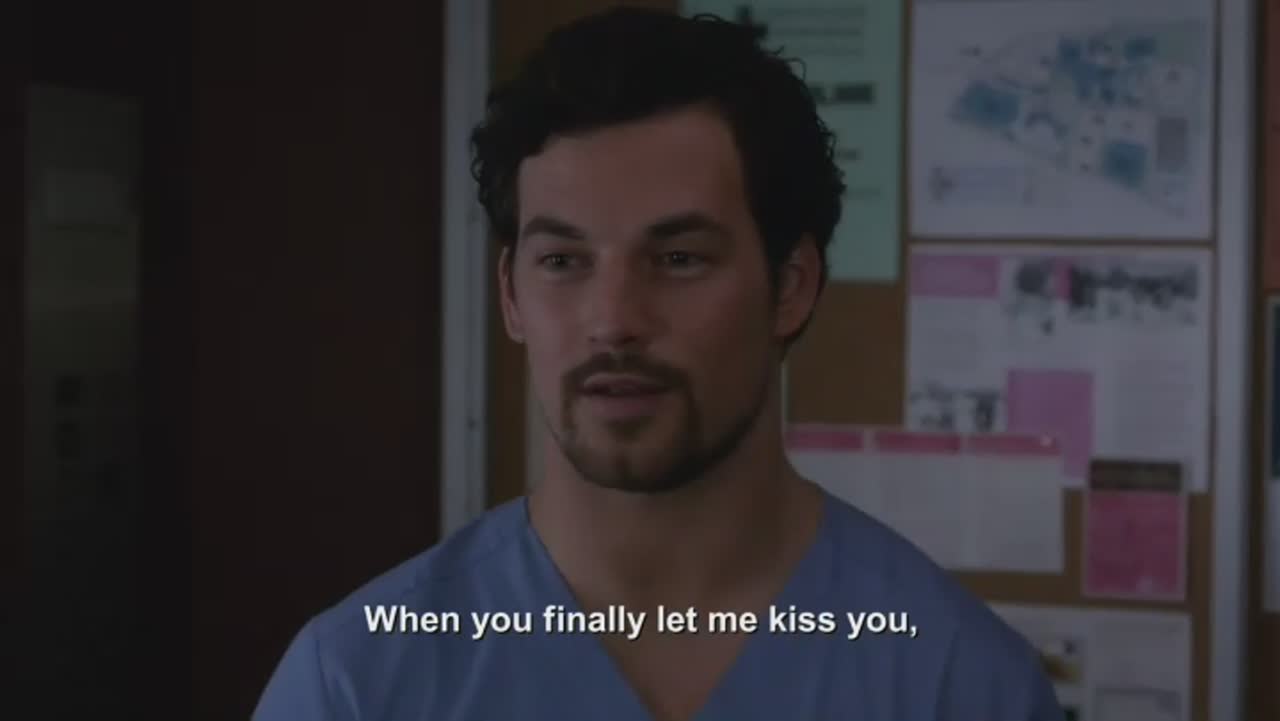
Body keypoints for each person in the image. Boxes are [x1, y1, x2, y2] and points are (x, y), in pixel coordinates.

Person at [253, 8, 1065, 721]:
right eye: (563, 261)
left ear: (790, 284)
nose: (613, 321)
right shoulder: (358, 682)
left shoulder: (959, 684)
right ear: (510, 295)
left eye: (678, 258)